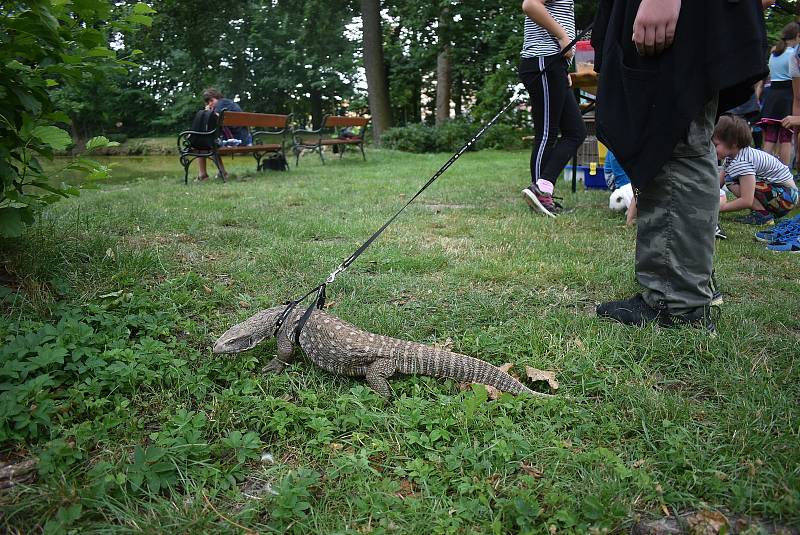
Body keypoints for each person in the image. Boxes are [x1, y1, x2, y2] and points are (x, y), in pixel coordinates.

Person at [591, 0, 768, 332]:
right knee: (675, 141)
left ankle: (679, 304)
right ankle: (680, 287)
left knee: (674, 141)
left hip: (676, 18)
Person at [519, 0, 587, 218]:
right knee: (547, 132)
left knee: (576, 132)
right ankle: (539, 194)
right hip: (542, 60)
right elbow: (530, 4)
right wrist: (563, 37)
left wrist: (563, 67)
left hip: (553, 63)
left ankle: (542, 188)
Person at [714, 115, 799, 225]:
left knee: (731, 180)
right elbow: (717, 184)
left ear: (733, 143)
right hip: (781, 194)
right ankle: (762, 212)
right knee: (729, 177)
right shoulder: (734, 156)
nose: (712, 148)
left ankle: (763, 215)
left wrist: (719, 208)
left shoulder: (743, 161)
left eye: (716, 144)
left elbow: (746, 200)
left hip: (786, 198)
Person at [758, 22, 799, 164]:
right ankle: (785, 173)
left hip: (772, 96)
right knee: (786, 137)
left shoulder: (774, 53)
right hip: (787, 95)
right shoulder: (793, 54)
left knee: (770, 136)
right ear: (796, 36)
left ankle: (762, 170)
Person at [197, 88, 252, 180]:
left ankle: (204, 175)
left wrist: (207, 112)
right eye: (208, 102)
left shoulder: (221, 104)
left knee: (204, 145)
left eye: (211, 100)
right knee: (207, 143)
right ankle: (220, 172)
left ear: (217, 97)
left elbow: (211, 123)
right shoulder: (228, 103)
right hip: (243, 139)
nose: (210, 104)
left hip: (236, 140)